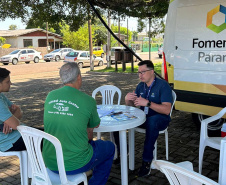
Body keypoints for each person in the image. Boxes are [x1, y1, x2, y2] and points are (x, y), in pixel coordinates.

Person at [42, 62, 115, 185]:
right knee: (109, 147)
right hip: (76, 163)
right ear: (79, 77)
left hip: (49, 161)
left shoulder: (50, 96)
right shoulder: (88, 100)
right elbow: (93, 127)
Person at [114, 60, 172, 177]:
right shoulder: (141, 86)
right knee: (118, 119)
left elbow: (167, 110)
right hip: (143, 117)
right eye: (138, 72)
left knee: (152, 121)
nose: (140, 75)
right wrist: (128, 100)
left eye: (143, 72)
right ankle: (123, 152)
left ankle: (146, 161)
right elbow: (133, 107)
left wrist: (148, 103)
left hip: (160, 119)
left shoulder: (163, 85)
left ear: (152, 71)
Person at [0, 67, 26, 152]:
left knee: (50, 134)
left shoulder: (1, 96)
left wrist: (10, 120)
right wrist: (11, 121)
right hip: (9, 141)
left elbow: (18, 110)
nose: (10, 83)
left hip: (16, 135)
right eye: (7, 82)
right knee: (50, 140)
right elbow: (15, 125)